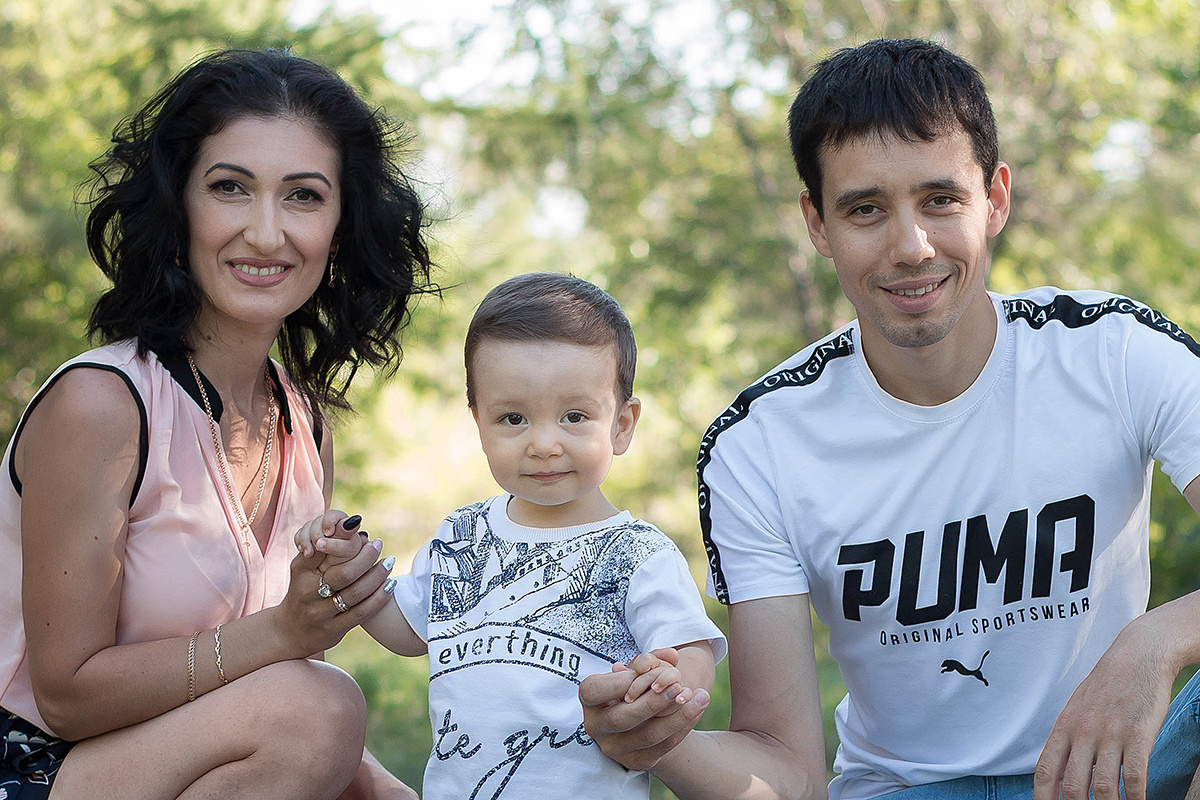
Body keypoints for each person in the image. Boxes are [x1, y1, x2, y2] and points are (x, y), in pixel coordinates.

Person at [578, 37, 1200, 800]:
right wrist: (661, 743)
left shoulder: (1114, 350)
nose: (911, 247)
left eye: (941, 200)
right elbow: (786, 773)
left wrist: (1158, 638)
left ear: (995, 199)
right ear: (818, 224)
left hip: (1115, 773)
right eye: (866, 209)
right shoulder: (759, 444)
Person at [0, 48, 435, 799]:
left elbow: (265, 711)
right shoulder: (100, 405)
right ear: (179, 209)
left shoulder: (305, 426)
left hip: (162, 771)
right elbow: (66, 697)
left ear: (340, 228)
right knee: (322, 707)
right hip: (32, 767)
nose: (266, 234)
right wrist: (285, 632)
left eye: (303, 197)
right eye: (230, 188)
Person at [297, 272, 726, 799]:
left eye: (574, 416)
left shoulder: (636, 553)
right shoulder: (462, 536)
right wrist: (348, 566)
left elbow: (689, 647)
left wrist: (670, 683)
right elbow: (407, 630)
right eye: (513, 418)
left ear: (622, 424)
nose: (543, 444)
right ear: (479, 422)